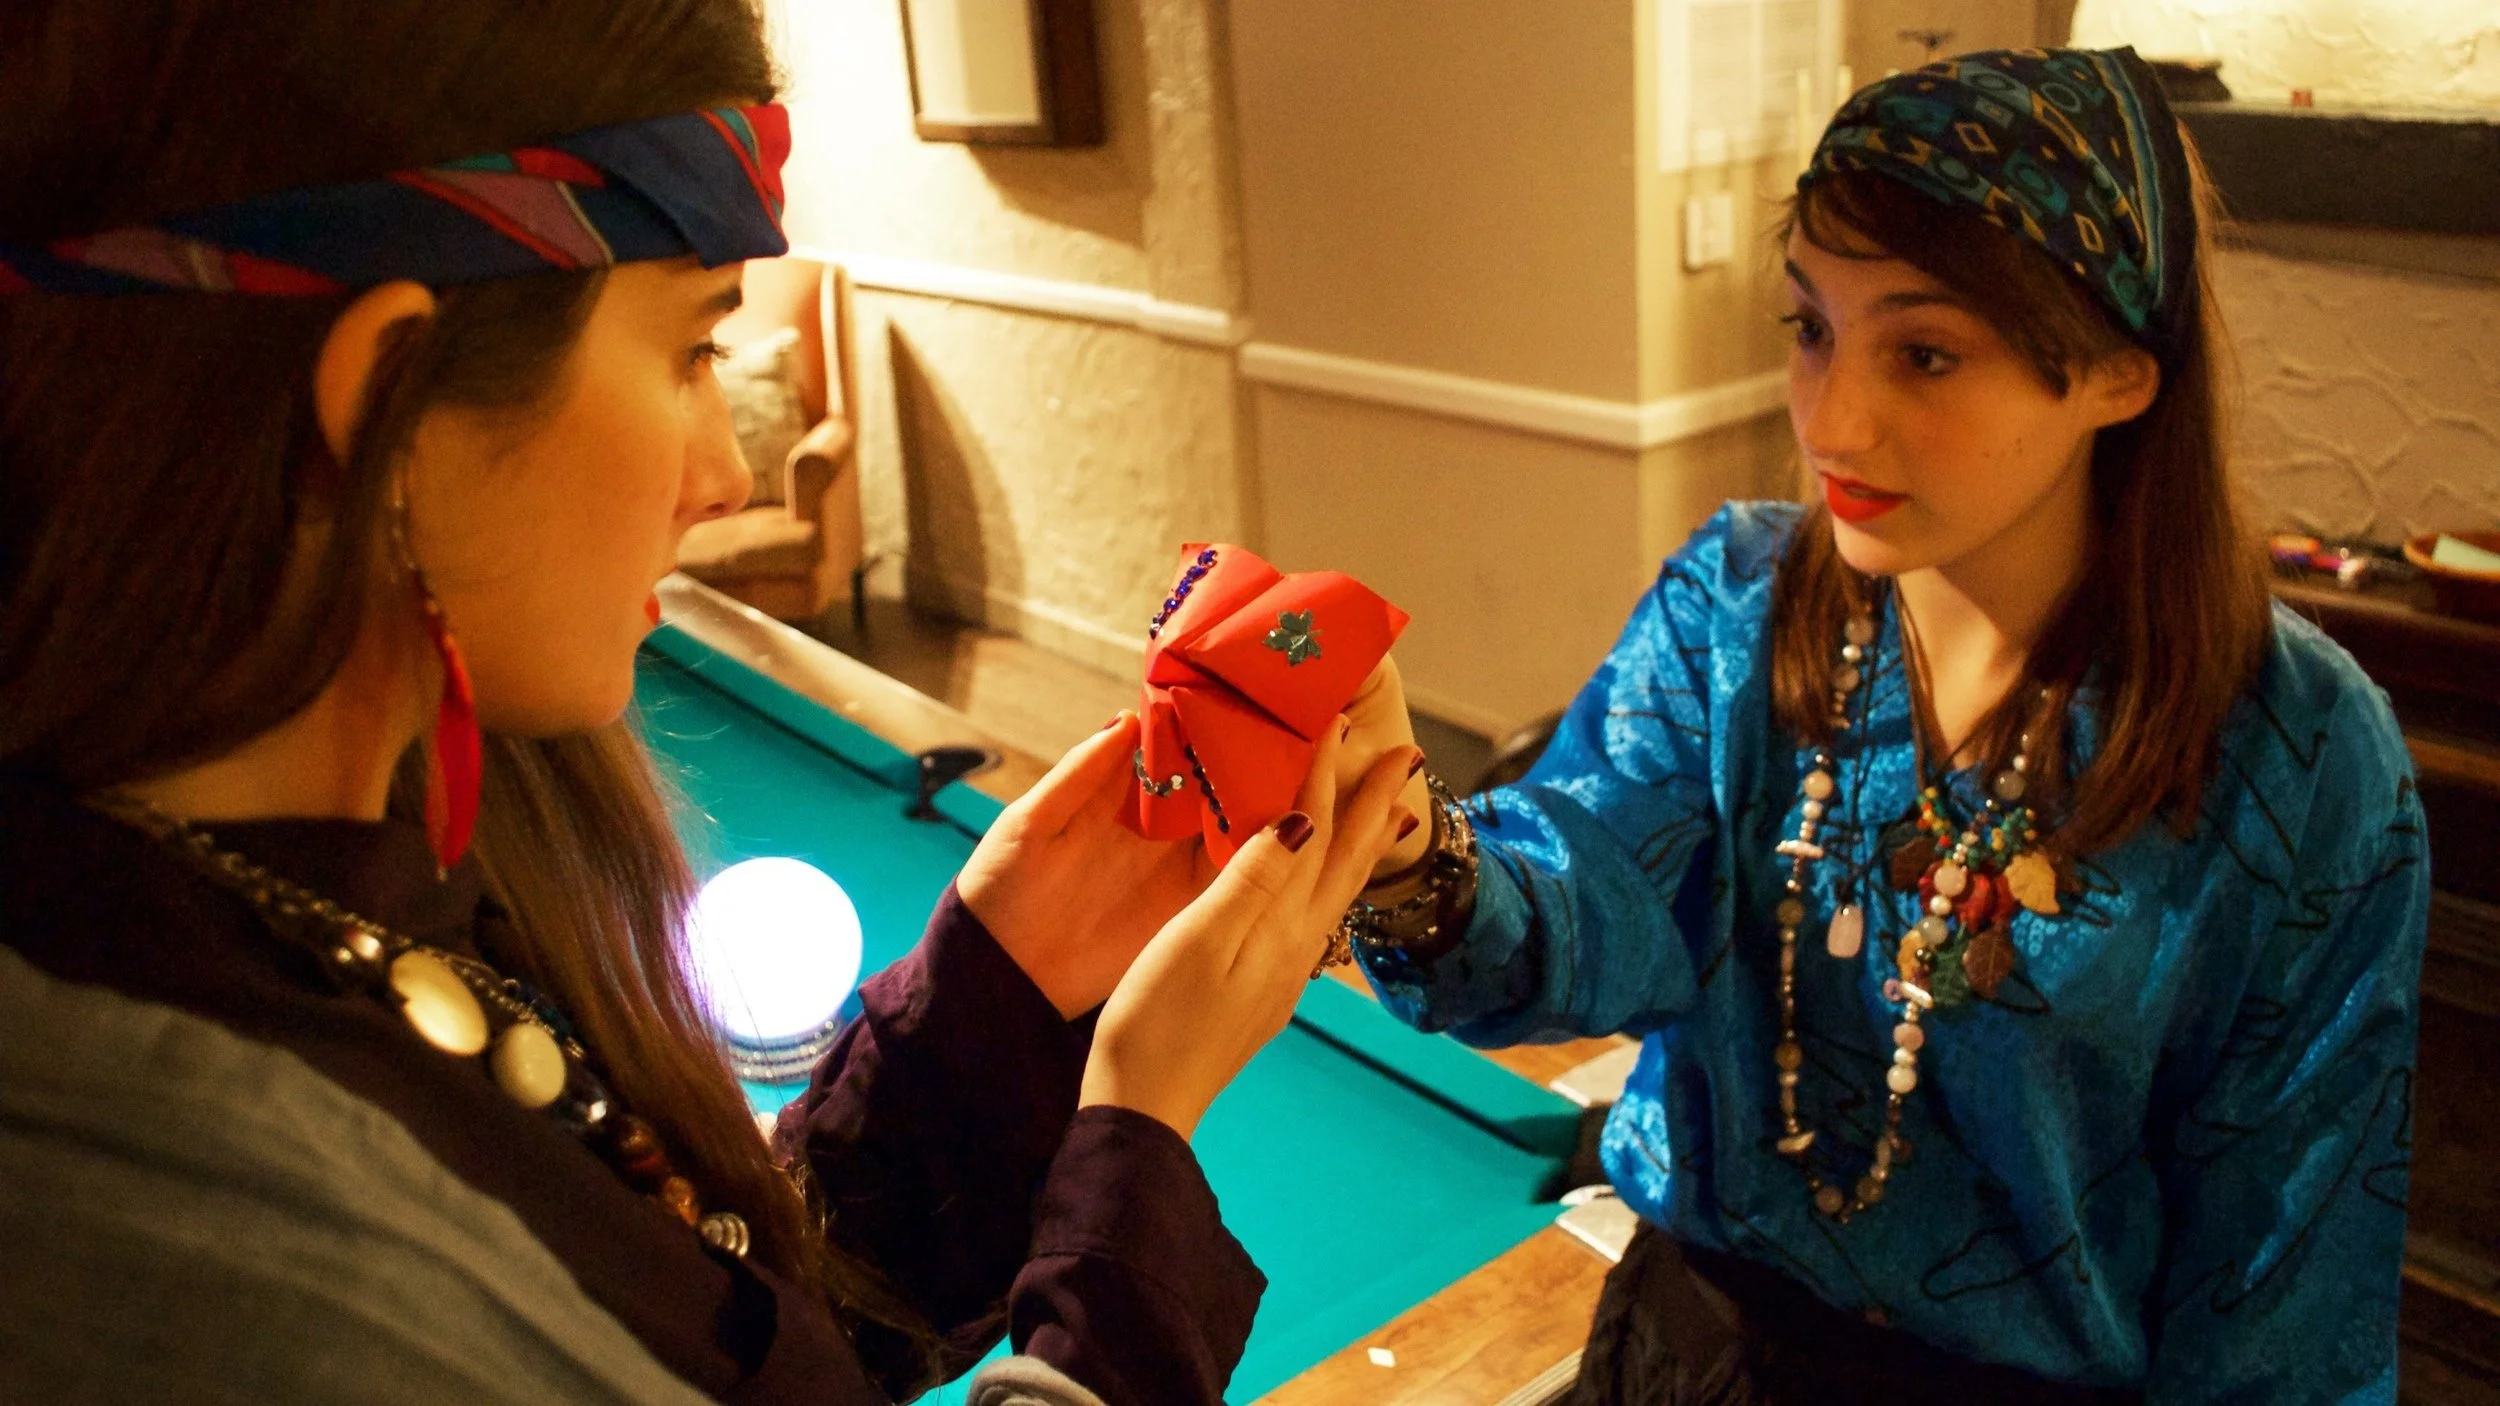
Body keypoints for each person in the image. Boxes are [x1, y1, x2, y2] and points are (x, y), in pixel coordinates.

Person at [0, 3, 1416, 1404]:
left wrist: (998, 994)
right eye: (692, 351)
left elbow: (706, 1323)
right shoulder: (220, 1265)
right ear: (386, 399)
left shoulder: (333, 861)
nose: (729, 476)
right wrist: (1137, 1142)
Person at [1336, 48, 2427, 1404]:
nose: (1832, 421)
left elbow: (2288, 1297)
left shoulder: (2302, 754)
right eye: (1811, 328)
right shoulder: (1739, 604)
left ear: (2117, 371)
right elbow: (1584, 888)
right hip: (1689, 1355)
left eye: (1924, 353)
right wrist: (1405, 839)